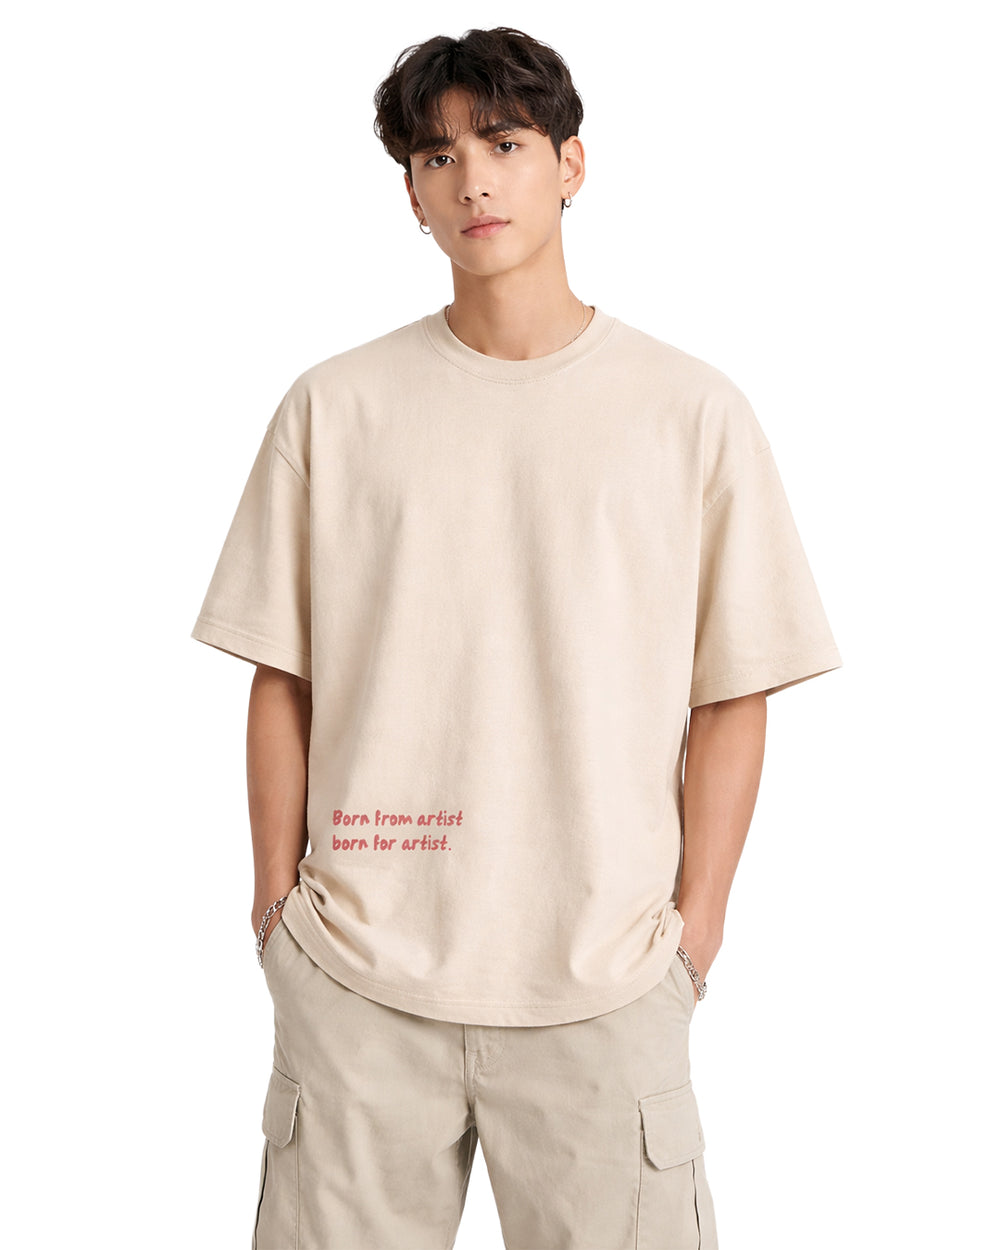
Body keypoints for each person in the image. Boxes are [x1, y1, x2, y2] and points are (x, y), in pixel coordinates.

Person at [191, 26, 842, 1250]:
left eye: (502, 144)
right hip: (358, 974)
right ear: (411, 194)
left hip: (605, 982)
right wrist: (277, 909)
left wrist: (691, 932)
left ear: (570, 164)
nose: (472, 181)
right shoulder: (335, 407)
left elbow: (733, 688)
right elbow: (283, 671)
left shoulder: (689, 411)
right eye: (437, 158)